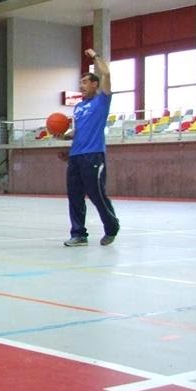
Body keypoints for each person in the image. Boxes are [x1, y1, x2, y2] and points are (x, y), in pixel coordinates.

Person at [61, 48, 120, 247]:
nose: (82, 86)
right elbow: (77, 131)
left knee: (96, 194)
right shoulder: (78, 107)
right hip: (76, 156)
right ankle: (79, 234)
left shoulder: (102, 100)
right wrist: (64, 135)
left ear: (95, 84)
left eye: (85, 82)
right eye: (81, 83)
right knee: (74, 196)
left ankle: (111, 227)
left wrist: (95, 56)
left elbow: (107, 73)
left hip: (93, 155)